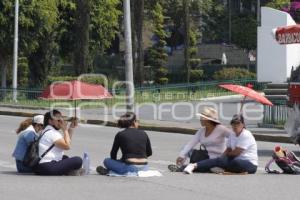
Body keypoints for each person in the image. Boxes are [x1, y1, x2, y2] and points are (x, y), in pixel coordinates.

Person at [183, 114, 258, 174]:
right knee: (218, 161)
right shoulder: (232, 134)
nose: (235, 126)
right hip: (234, 161)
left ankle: (211, 167)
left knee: (230, 162)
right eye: (233, 123)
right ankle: (192, 166)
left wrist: (223, 159)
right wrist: (222, 158)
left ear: (243, 124)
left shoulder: (246, 134)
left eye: (238, 123)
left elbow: (236, 153)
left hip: (250, 164)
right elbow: (228, 149)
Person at [168, 107, 231, 172]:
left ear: (208, 120)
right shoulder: (201, 131)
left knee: (203, 166)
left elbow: (234, 137)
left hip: (217, 158)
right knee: (186, 149)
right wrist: (181, 156)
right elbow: (190, 144)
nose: (200, 120)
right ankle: (181, 165)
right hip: (205, 155)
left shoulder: (221, 129)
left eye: (202, 118)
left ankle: (185, 167)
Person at [34, 110, 83, 176]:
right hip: (48, 167)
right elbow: (67, 146)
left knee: (65, 157)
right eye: (58, 120)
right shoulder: (52, 133)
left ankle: (68, 171)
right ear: (50, 121)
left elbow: (66, 141)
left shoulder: (46, 130)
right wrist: (65, 130)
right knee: (78, 160)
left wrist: (71, 128)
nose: (61, 121)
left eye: (61, 118)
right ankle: (69, 171)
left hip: (41, 167)